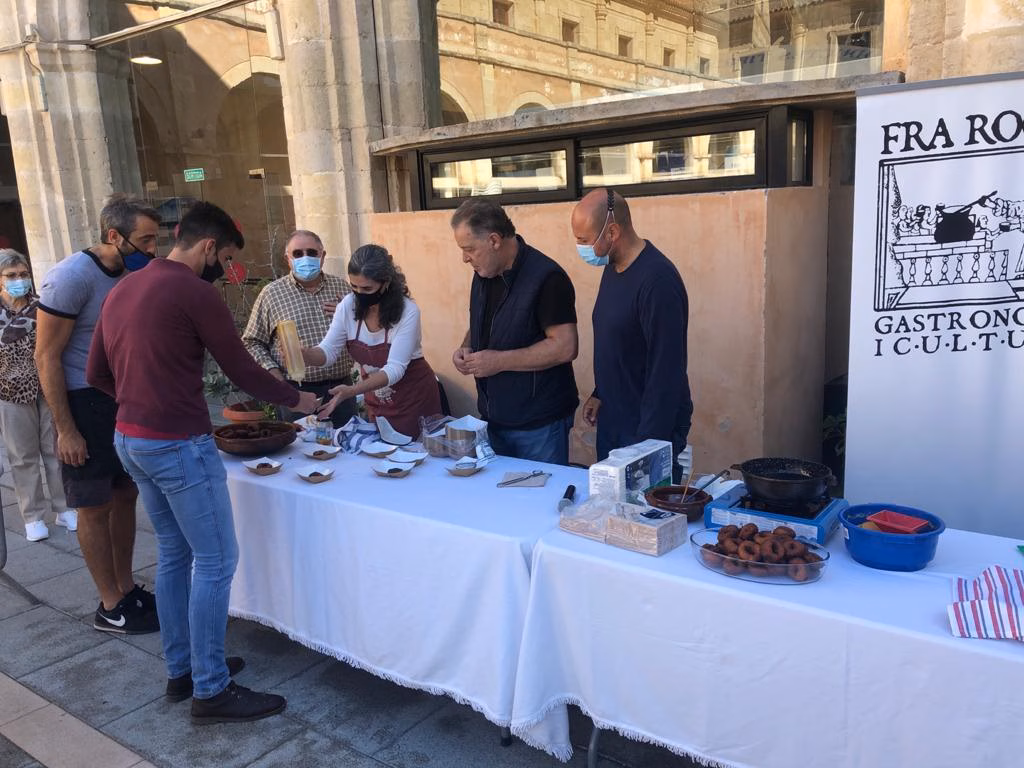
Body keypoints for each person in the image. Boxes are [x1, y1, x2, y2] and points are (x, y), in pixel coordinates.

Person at [87, 201, 319, 724]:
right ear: (209, 247)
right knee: (215, 561)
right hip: (177, 444)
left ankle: (184, 669)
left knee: (174, 554)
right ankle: (211, 690)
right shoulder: (194, 291)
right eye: (228, 258)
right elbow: (241, 367)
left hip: (131, 439)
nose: (227, 269)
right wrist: (297, 399)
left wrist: (138, 403)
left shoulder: (125, 286)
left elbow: (95, 371)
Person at [35, 193, 160, 635]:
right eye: (146, 240)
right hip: (82, 401)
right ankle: (110, 605)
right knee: (93, 504)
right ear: (114, 235)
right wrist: (65, 429)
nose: (153, 250)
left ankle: (126, 588)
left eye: (156, 240)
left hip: (121, 398)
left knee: (126, 493)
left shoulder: (131, 272)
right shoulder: (70, 277)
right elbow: (46, 356)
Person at [571, 188, 693, 480]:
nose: (579, 247)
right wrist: (600, 393)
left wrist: (646, 448)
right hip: (614, 421)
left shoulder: (657, 281)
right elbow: (620, 340)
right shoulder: (613, 267)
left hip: (647, 431)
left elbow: (666, 371)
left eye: (584, 240)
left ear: (612, 232)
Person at [450, 199, 579, 464]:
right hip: (493, 418)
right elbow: (483, 322)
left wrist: (498, 361)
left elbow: (565, 347)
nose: (464, 258)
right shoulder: (484, 272)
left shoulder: (547, 277)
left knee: (541, 490)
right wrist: (467, 346)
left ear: (494, 240)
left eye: (469, 249)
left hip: (539, 425)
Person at [304, 244, 441, 438]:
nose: (359, 293)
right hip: (377, 399)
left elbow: (395, 369)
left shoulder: (408, 311)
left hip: (414, 398)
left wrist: (351, 391)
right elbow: (328, 351)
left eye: (367, 288)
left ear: (385, 283)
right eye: (354, 286)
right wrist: (305, 355)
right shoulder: (348, 305)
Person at [242, 230, 356, 427]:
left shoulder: (343, 289)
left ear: (322, 256)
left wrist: (350, 315)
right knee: (300, 444)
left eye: (311, 252)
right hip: (296, 391)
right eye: (297, 254)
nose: (305, 258)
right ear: (288, 259)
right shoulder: (272, 294)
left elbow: (363, 331)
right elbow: (252, 342)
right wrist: (276, 378)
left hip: (341, 389)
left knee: (348, 441)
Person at [0, 249, 75, 542]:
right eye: (11, 275)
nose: (19, 280)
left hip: (47, 388)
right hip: (9, 393)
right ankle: (32, 515)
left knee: (55, 450)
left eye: (23, 274)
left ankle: (64, 507)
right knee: (22, 456)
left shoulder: (42, 306)